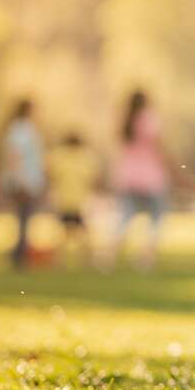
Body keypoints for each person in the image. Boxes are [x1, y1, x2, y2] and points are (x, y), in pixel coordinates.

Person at [110, 90, 170, 270]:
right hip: (150, 176)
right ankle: (146, 258)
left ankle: (110, 256)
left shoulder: (124, 121)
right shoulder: (148, 118)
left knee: (125, 218)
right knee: (156, 217)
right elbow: (159, 145)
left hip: (128, 176)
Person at [1, 98, 45, 269]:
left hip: (28, 180)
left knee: (24, 217)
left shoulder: (24, 129)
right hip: (23, 180)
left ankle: (20, 251)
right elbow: (14, 155)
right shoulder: (21, 129)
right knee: (23, 217)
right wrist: (20, 179)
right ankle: (19, 254)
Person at [47, 132, 101, 266]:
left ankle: (58, 260)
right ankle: (87, 259)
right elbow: (94, 177)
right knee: (84, 232)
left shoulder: (58, 156)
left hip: (63, 200)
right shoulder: (85, 158)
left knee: (62, 233)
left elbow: (50, 174)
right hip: (79, 201)